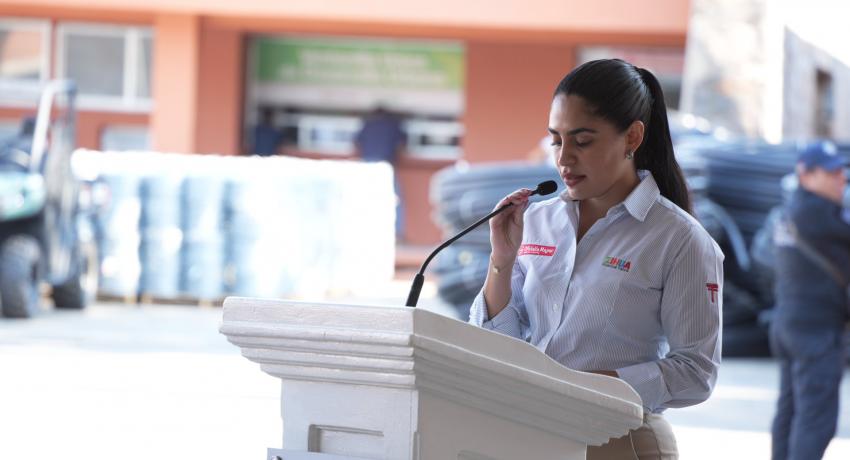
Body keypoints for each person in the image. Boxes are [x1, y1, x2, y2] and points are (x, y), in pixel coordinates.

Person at [468, 59, 724, 459]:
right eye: (556, 140)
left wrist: (581, 387)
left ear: (632, 137)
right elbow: (500, 345)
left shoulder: (680, 239)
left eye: (582, 141)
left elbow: (696, 372)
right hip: (527, 435)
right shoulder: (536, 220)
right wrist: (501, 261)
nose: (564, 158)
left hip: (617, 442)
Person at [769, 140, 850, 460]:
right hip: (816, 331)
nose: (840, 178)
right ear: (805, 174)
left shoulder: (789, 213)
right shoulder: (817, 212)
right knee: (816, 420)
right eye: (831, 173)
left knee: (790, 412)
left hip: (788, 324)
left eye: (842, 172)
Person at [354, 106, 407, 239]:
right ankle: (397, 233)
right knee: (394, 200)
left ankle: (363, 231)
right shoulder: (393, 125)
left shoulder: (368, 124)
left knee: (365, 199)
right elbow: (402, 144)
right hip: (385, 165)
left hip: (367, 165)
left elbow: (356, 143)